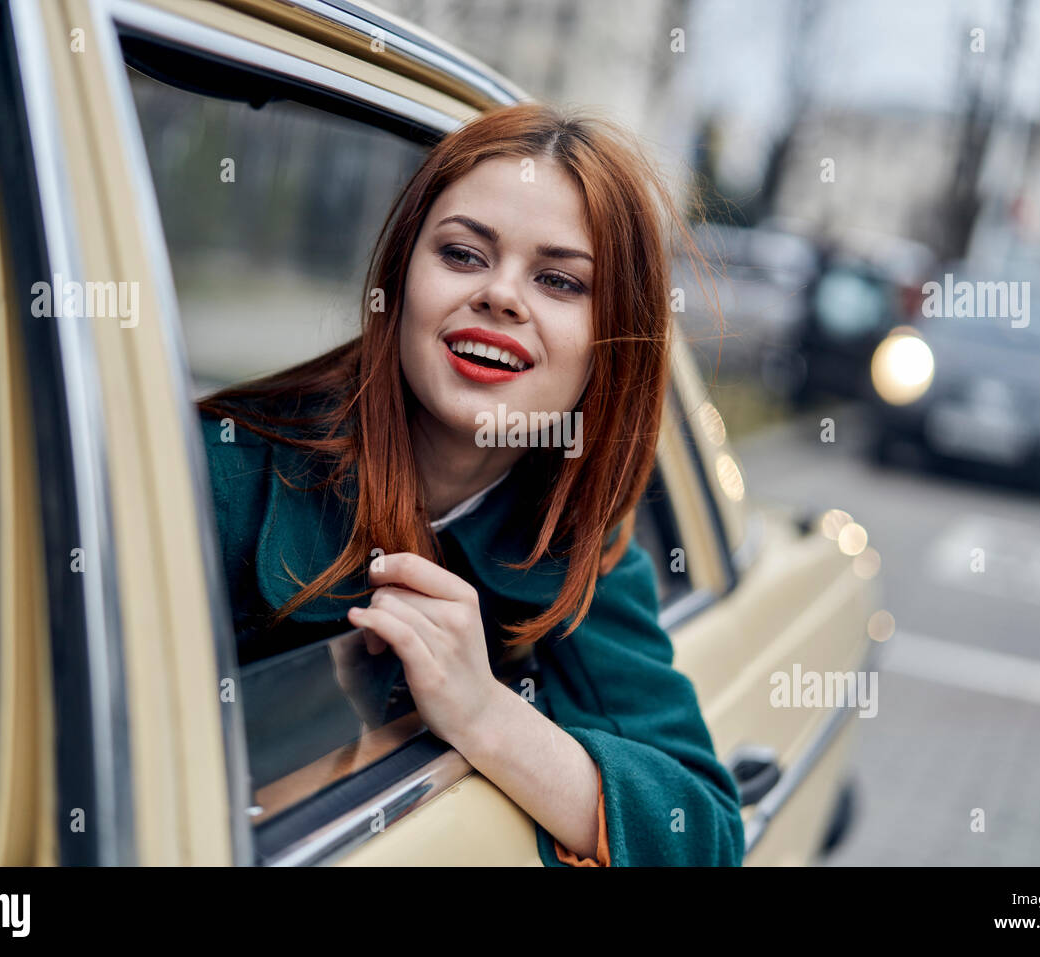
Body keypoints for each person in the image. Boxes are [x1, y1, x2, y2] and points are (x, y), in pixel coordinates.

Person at [198, 102, 744, 867]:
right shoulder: (218, 476)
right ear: (400, 278)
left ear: (612, 342)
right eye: (462, 255)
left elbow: (706, 836)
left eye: (558, 279)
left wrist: (483, 714)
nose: (501, 296)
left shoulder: (583, 551)